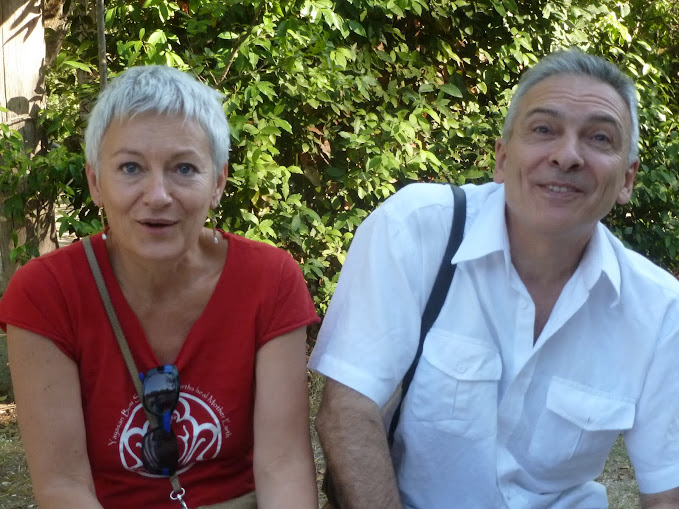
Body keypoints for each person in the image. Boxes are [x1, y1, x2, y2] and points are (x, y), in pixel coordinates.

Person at [309, 48, 679, 508]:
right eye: (543, 129)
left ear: (627, 179)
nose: (567, 156)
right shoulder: (419, 229)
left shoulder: (660, 310)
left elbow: (668, 492)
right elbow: (348, 411)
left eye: (600, 138)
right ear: (502, 158)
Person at [0, 65, 320, 509]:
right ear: (96, 182)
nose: (157, 196)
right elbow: (64, 486)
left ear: (218, 183)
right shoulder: (45, 293)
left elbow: (283, 466)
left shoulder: (270, 279)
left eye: (184, 168)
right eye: (130, 167)